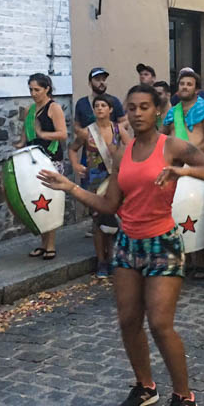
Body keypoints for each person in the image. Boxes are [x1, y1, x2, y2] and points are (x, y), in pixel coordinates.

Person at [38, 84, 204, 406]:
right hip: (128, 244)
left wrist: (184, 171)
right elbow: (110, 204)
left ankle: (184, 397)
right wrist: (70, 188)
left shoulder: (172, 146)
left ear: (157, 111)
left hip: (163, 243)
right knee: (128, 320)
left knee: (159, 323)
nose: (138, 113)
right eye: (133, 107)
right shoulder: (122, 154)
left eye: (145, 107)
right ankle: (145, 386)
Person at [163, 70, 204, 279]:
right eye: (182, 84)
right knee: (176, 211)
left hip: (197, 166)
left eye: (189, 84)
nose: (184, 87)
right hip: (176, 168)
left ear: (196, 89)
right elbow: (162, 136)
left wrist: (192, 153)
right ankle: (181, 259)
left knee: (198, 211)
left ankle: (200, 262)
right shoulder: (172, 112)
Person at [69, 94, 129, 277]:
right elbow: (73, 149)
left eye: (104, 105)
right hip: (95, 181)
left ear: (110, 109)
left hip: (115, 180)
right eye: (97, 106)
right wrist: (76, 165)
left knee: (114, 221)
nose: (100, 108)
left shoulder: (119, 130)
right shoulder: (88, 132)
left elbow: (132, 148)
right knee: (98, 222)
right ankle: (101, 261)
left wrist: (121, 156)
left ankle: (112, 257)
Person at [15, 73, 68, 260]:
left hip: (50, 158)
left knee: (49, 200)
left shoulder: (54, 108)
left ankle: (51, 244)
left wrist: (43, 134)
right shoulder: (31, 109)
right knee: (38, 201)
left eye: (37, 89)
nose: (33, 93)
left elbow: (62, 134)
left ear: (47, 89)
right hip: (33, 158)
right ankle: (43, 244)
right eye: (30, 89)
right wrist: (20, 143)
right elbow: (25, 130)